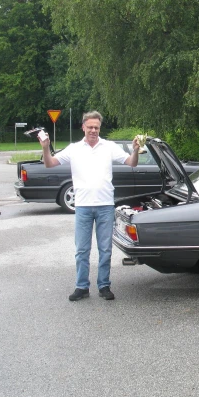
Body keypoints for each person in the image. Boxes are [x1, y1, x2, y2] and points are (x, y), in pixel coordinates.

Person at [40, 111, 139, 302]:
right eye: (90, 127)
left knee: (105, 249)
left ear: (99, 128)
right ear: (83, 127)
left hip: (105, 206)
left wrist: (135, 150)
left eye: (96, 127)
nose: (93, 130)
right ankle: (81, 287)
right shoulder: (74, 149)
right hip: (83, 207)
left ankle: (104, 286)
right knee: (82, 250)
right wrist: (45, 148)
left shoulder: (109, 146)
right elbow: (50, 163)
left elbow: (131, 163)